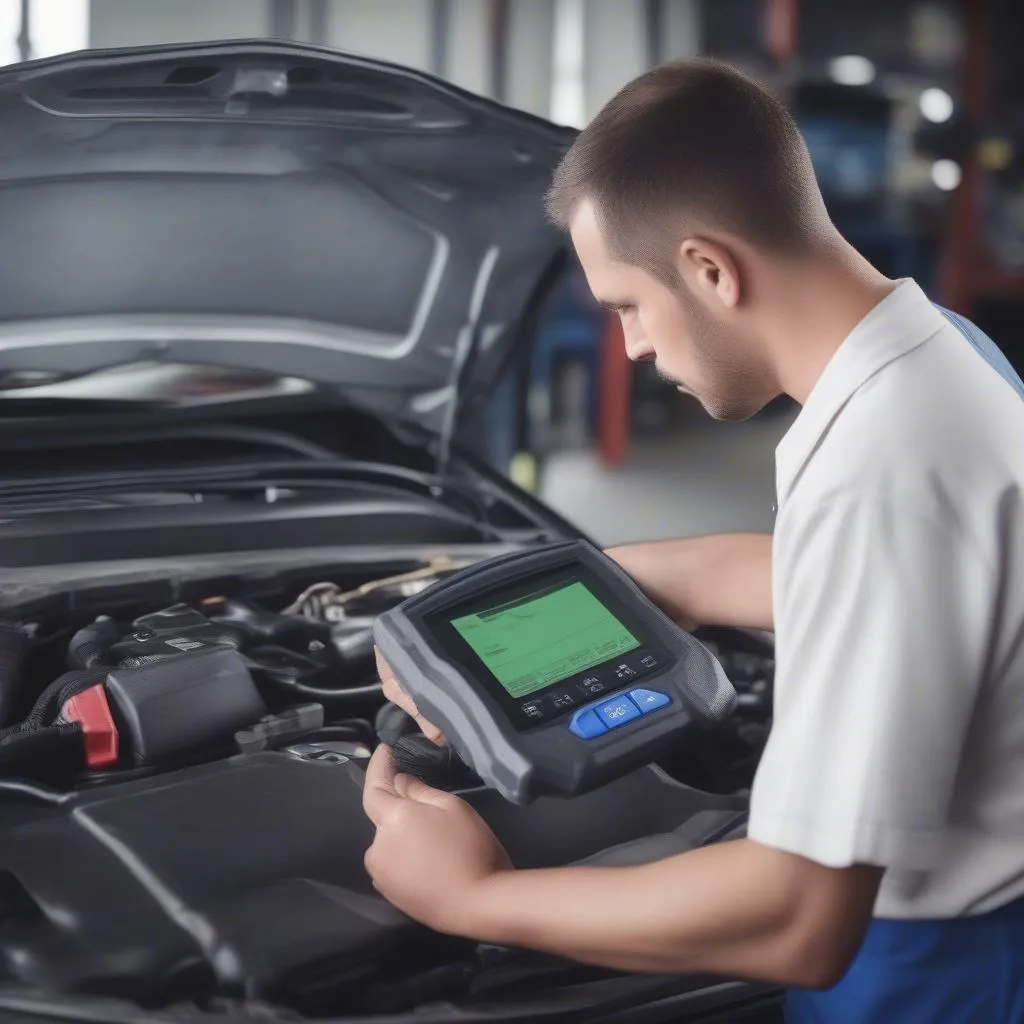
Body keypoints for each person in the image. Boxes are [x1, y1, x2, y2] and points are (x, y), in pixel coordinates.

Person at [362, 58, 1024, 1022]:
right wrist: (574, 585)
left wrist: (474, 897)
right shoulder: (942, 357)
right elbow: (860, 583)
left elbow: (800, 920)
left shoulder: (880, 471)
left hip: (934, 978)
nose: (629, 348)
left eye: (628, 304)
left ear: (710, 270)